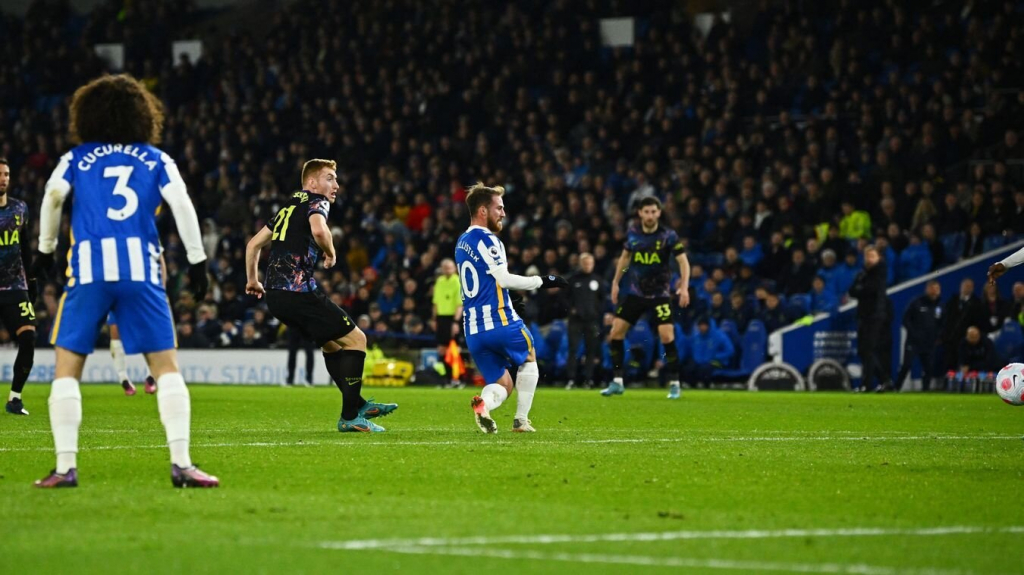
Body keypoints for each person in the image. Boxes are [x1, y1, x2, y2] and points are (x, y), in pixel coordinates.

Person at [32, 74, 217, 487]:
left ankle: (65, 468)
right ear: (142, 115)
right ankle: (182, 463)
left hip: (89, 270)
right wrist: (197, 261)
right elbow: (181, 203)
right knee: (166, 368)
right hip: (142, 271)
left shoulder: (77, 157)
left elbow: (53, 195)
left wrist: (44, 249)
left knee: (67, 371)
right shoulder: (156, 158)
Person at [246, 159, 397, 432]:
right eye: (330, 178)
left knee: (331, 346)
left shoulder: (287, 208)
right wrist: (331, 251)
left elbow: (253, 244)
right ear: (312, 183)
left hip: (276, 298)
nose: (336, 185)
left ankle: (358, 403)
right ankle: (350, 416)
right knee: (357, 340)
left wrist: (253, 280)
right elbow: (318, 229)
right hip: (297, 293)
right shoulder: (317, 201)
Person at [455, 182, 567, 433]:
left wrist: (503, 293)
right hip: (499, 321)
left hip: (473, 331)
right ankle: (521, 420)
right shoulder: (488, 240)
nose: (503, 213)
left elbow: (488, 281)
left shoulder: (462, 241)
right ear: (483, 211)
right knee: (529, 358)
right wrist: (543, 280)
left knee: (503, 384)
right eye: (499, 208)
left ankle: (484, 404)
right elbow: (503, 279)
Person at [602, 197, 691, 400]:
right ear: (640, 213)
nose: (650, 215)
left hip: (659, 294)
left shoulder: (668, 235)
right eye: (646, 212)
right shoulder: (633, 232)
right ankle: (617, 382)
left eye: (653, 211)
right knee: (616, 332)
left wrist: (684, 286)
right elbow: (625, 259)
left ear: (659, 213)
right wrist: (617, 281)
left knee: (667, 336)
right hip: (635, 293)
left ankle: (675, 383)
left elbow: (683, 262)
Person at [0, 158, 37, 416]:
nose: (3, 178)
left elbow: (24, 246)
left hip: (15, 286)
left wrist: (32, 280)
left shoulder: (19, 209)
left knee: (29, 338)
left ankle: (15, 399)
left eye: (6, 174)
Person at [848, 246, 894, 392]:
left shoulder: (880, 271)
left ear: (878, 258)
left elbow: (869, 289)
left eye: (872, 256)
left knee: (868, 349)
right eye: (867, 256)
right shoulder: (863, 273)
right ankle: (885, 380)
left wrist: (860, 288)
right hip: (864, 315)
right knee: (863, 351)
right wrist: (861, 288)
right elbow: (852, 291)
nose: (869, 259)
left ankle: (867, 384)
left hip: (875, 315)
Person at [565, 252, 605, 390]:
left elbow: (603, 299)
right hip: (575, 320)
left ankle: (588, 380)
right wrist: (570, 309)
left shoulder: (598, 280)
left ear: (593, 264)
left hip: (592, 320)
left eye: (590, 263)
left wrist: (597, 311)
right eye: (585, 263)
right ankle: (571, 379)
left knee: (591, 351)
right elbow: (563, 297)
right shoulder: (572, 279)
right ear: (580, 264)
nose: (587, 266)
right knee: (573, 350)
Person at [895, 281, 943, 391]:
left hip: (929, 342)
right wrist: (914, 333)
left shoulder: (940, 306)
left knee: (928, 368)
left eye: (937, 288)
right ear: (927, 289)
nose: (934, 291)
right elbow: (906, 319)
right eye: (932, 288)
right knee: (906, 365)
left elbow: (943, 323)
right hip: (913, 341)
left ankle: (925, 390)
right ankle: (896, 388)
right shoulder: (917, 302)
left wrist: (938, 336)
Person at [431, 258, 461, 385]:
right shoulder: (439, 281)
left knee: (454, 349)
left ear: (454, 268)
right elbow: (436, 302)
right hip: (441, 318)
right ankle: (446, 378)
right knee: (441, 349)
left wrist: (456, 322)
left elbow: (460, 304)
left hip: (452, 318)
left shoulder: (458, 282)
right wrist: (434, 319)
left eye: (450, 267)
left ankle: (457, 378)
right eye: (445, 267)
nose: (447, 270)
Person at [682, 317, 734, 386]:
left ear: (708, 326)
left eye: (703, 325)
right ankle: (693, 387)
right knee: (689, 369)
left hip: (717, 361)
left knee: (705, 369)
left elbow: (730, 350)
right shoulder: (696, 337)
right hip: (700, 362)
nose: (702, 328)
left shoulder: (719, 336)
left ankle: (707, 386)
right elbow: (692, 350)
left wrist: (717, 356)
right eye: (700, 326)